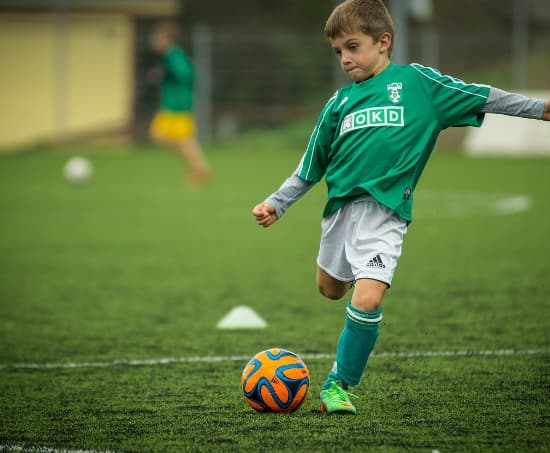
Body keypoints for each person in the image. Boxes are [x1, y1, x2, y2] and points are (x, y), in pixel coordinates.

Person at [252, 0, 550, 415]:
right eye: (339, 52)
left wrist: (539, 109)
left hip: (386, 215)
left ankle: (338, 385)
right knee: (329, 289)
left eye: (353, 47)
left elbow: (483, 96)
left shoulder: (419, 85)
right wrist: (277, 204)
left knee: (368, 299)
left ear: (384, 41)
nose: (345, 59)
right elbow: (310, 166)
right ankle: (354, 285)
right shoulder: (338, 104)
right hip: (339, 213)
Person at [149, 21, 211, 187]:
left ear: (167, 39)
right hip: (172, 104)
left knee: (180, 141)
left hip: (178, 105)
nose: (154, 41)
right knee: (163, 138)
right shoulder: (170, 56)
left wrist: (165, 74)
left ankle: (200, 169)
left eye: (158, 38)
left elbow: (186, 73)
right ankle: (198, 167)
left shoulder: (174, 55)